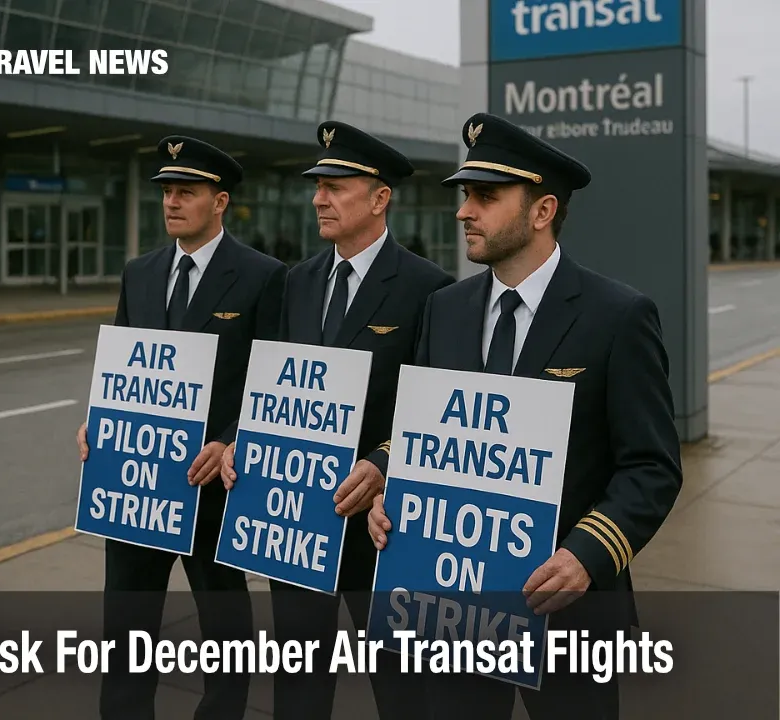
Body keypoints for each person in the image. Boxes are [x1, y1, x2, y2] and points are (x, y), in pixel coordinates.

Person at [367, 113, 683, 719]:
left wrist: (587, 555)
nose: (463, 211)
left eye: (485, 197)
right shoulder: (444, 309)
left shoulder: (617, 316)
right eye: (466, 195)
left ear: (542, 211)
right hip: (454, 615)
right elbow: (421, 433)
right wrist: (393, 491)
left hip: (567, 615)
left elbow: (651, 467)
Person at [218, 120, 454, 720]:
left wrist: (383, 462)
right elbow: (275, 387)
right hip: (296, 522)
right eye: (317, 186)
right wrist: (244, 439)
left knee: (401, 691)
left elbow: (435, 411)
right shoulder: (295, 282)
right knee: (298, 688)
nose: (319, 198)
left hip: (381, 529)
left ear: (380, 198)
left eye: (335, 186)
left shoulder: (429, 289)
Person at [76, 136, 287, 720]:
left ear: (220, 201)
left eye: (185, 192)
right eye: (167, 191)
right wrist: (98, 420)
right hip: (136, 482)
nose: (171, 201)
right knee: (125, 622)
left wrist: (233, 438)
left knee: (224, 625)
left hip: (211, 483)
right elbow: (124, 370)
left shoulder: (264, 276)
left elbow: (272, 383)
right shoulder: (139, 273)